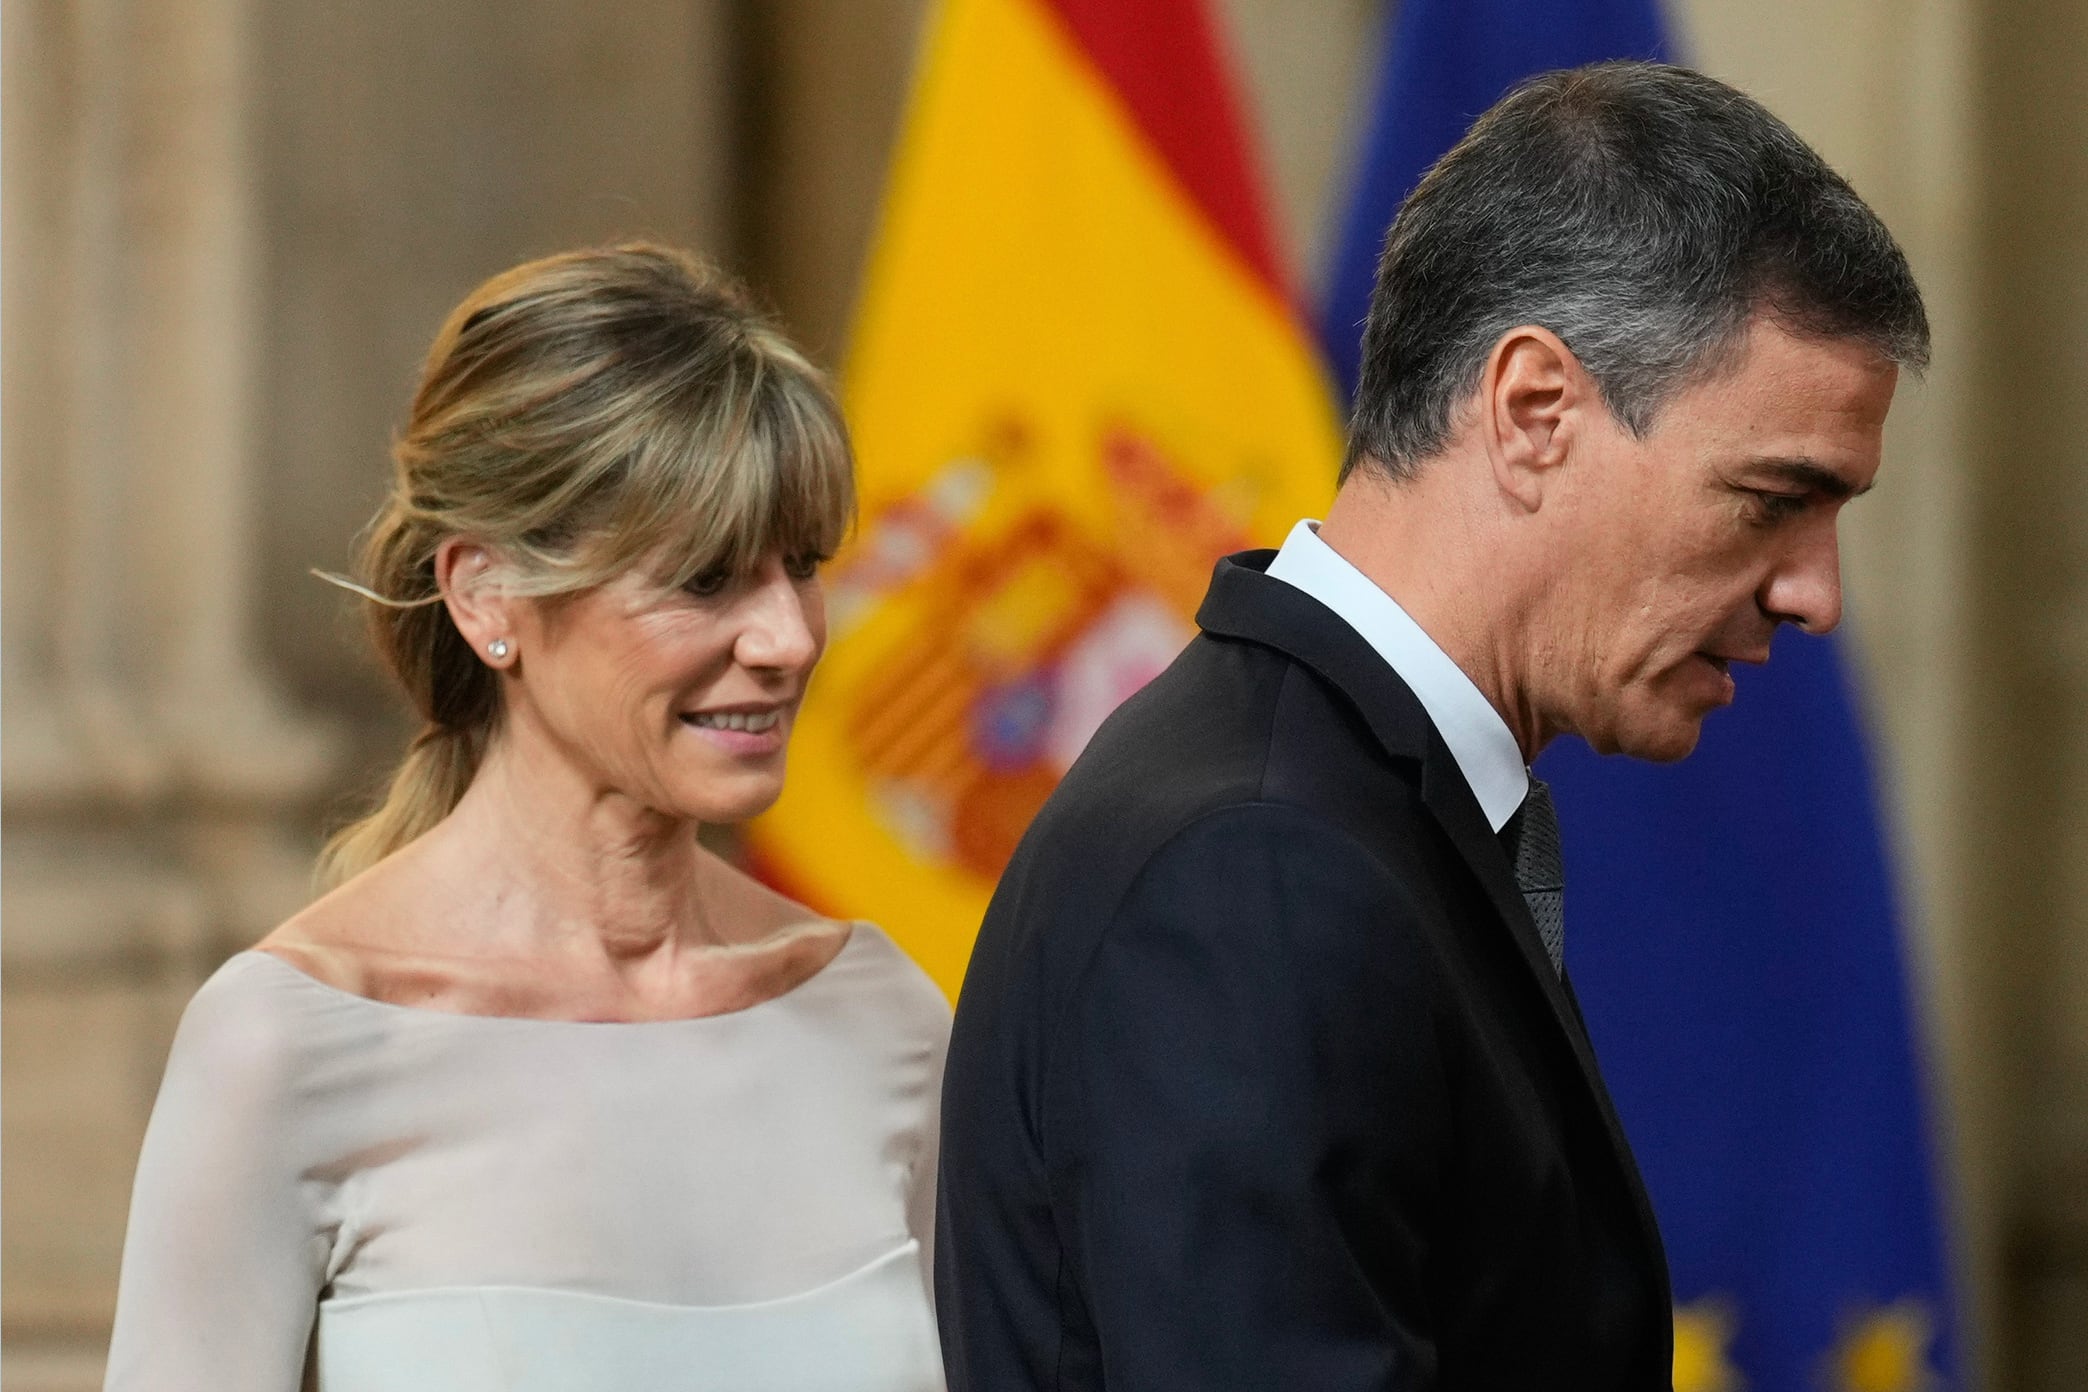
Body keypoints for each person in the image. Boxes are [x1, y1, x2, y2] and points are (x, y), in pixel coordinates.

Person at [935, 61, 1929, 1391]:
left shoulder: (1345, 804)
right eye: (1770, 499)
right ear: (1533, 412)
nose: (1814, 595)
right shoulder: (1259, 867)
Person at [104, 244, 950, 1391]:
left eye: (800, 567)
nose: (789, 640)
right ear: (485, 596)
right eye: (705, 579)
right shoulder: (286, 1043)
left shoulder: (882, 1018)